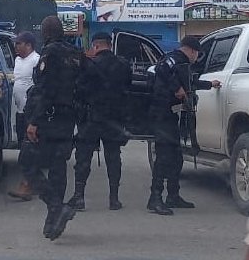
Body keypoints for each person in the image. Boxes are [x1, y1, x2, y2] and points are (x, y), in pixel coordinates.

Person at [147, 35, 221, 215]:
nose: (197, 57)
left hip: (172, 114)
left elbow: (189, 83)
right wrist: (176, 88)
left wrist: (209, 84)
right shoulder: (173, 58)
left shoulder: (183, 64)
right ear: (192, 50)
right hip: (162, 113)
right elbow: (161, 69)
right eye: (197, 54)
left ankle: (173, 195)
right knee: (164, 156)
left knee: (176, 157)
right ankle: (155, 198)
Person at [26, 15, 83, 241]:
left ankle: (56, 206)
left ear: (45, 32)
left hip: (48, 119)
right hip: (68, 120)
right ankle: (53, 221)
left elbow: (46, 90)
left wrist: (34, 121)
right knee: (59, 167)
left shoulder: (50, 55)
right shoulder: (76, 55)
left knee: (28, 164)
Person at [67, 32, 132, 211]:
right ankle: (114, 199)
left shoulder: (88, 65)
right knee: (113, 157)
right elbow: (128, 91)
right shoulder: (124, 65)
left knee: (83, 157)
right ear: (110, 45)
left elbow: (78, 90)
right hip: (113, 119)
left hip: (91, 118)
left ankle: (79, 196)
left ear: (95, 46)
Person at [7, 31, 41, 200]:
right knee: (24, 147)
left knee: (30, 151)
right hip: (20, 112)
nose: (16, 46)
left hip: (32, 113)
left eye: (19, 43)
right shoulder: (18, 61)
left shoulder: (36, 60)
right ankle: (34, 183)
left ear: (29, 45)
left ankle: (29, 185)